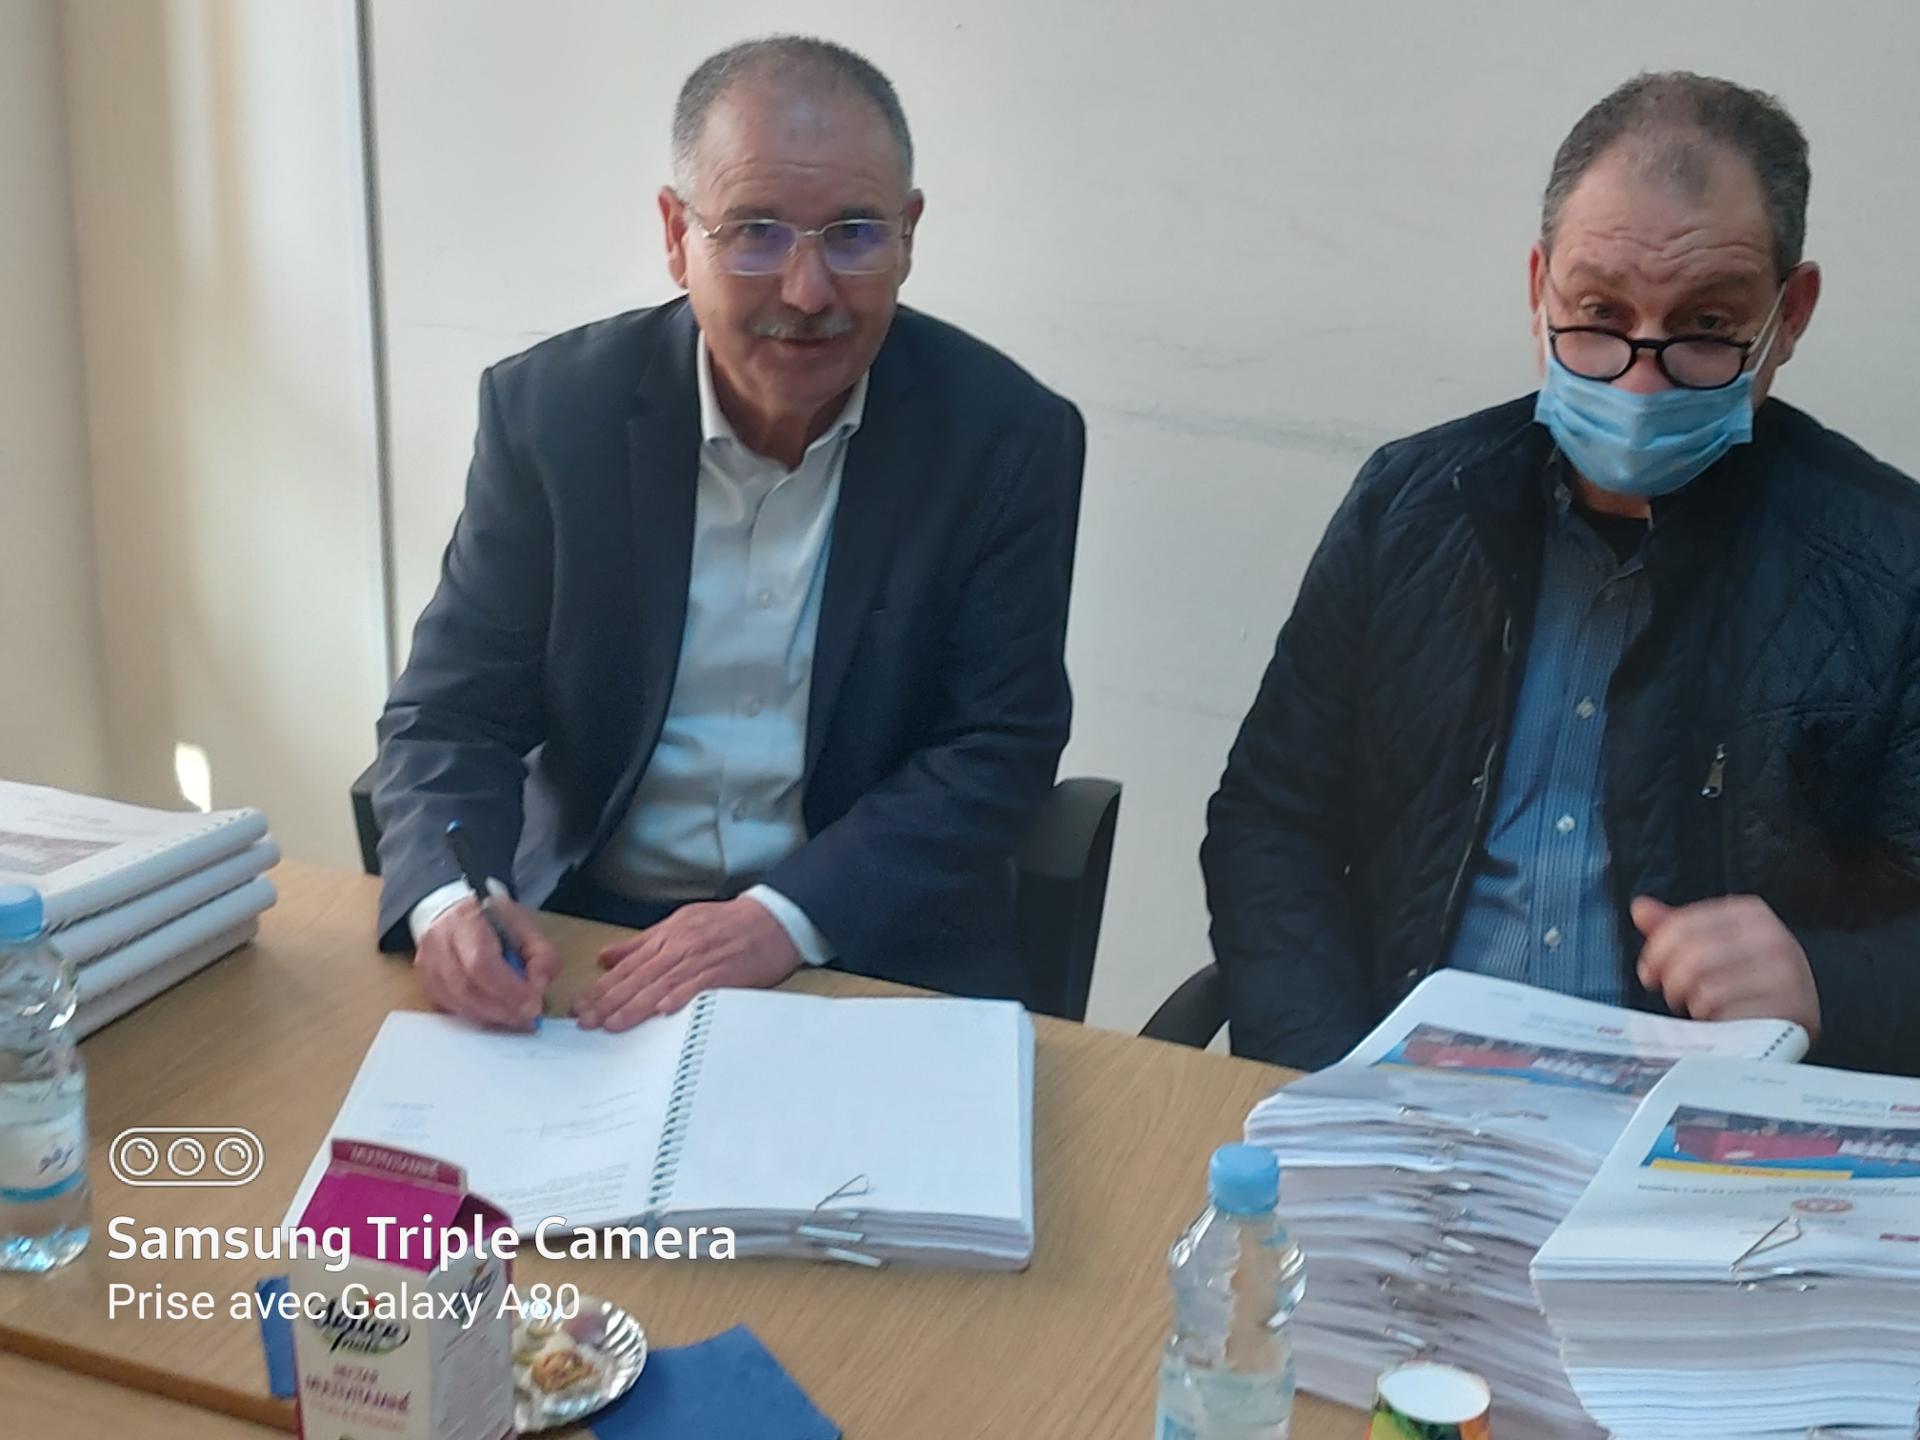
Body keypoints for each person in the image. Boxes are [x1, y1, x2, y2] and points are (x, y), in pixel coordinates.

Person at [1203, 72, 1920, 1077]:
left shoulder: (1892, 567)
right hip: (1399, 1102)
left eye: (1706, 327)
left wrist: (1827, 983)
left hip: (1704, 1130)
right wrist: (1326, 1077)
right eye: (1598, 312)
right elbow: (1272, 824)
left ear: (1788, 315)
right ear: (1539, 289)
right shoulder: (1410, 508)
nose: (1641, 380)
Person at [373, 36, 1085, 1033]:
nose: (807, 290)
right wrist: (452, 903)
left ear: (909, 235)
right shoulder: (553, 419)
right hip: (587, 941)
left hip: (864, 947)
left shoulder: (1004, 440)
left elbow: (998, 745)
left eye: (854, 234)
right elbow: (452, 716)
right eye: (755, 231)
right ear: (677, 235)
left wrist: (782, 918)